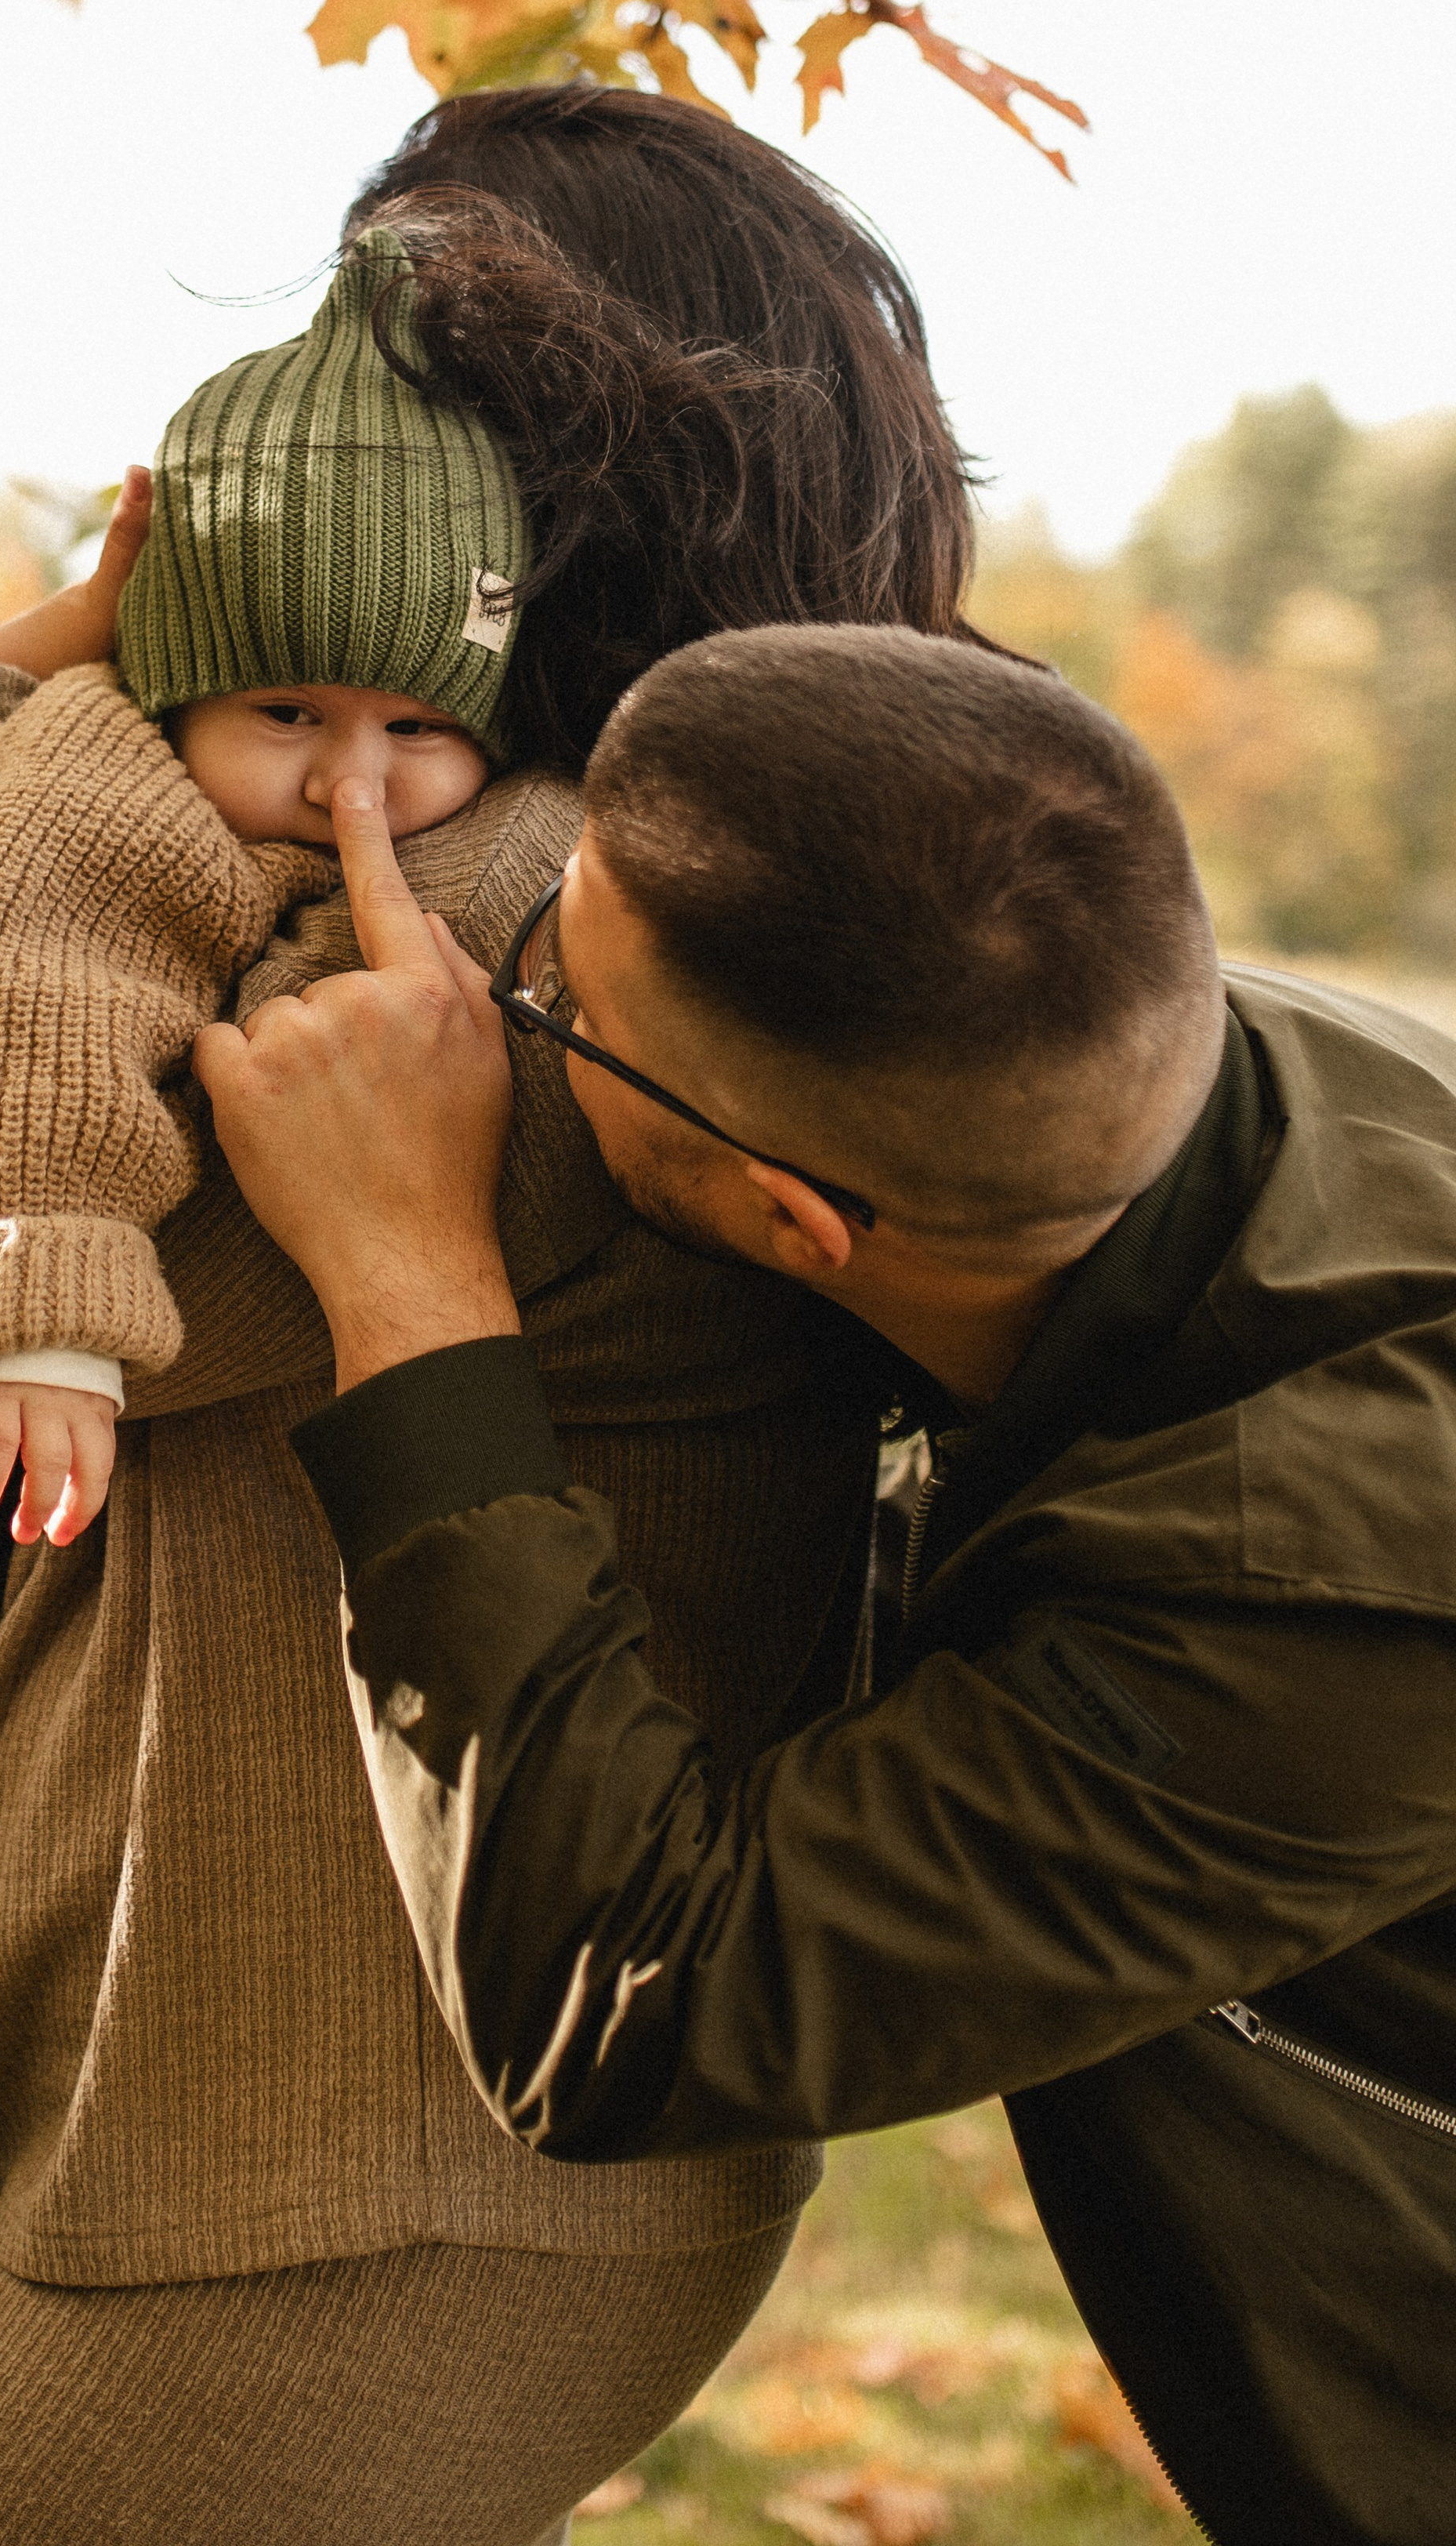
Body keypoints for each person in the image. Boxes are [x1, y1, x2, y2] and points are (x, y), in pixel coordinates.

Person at [0, 82, 987, 2545]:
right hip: (302, 2128)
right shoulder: (596, 858)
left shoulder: (538, 918)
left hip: (354, 2162)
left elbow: (21, 1128)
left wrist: (7, 710)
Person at [190, 619, 1456, 2546]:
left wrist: (407, 1278)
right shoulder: (1117, 1056)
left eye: (551, 998)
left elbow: (642, 1996)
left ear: (793, 1215)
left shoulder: (1329, 1590)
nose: (505, 980)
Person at [0, 230, 532, 2305]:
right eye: (287, 709)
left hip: (11, 1190)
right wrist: (36, 1304)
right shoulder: (99, 770)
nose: (351, 777)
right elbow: (20, 1005)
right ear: (170, 677)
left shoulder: (398, 823)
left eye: (419, 723)